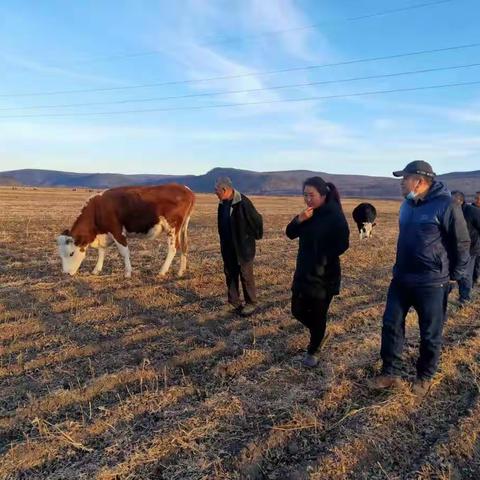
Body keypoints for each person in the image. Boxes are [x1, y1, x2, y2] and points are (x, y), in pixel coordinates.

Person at [370, 161, 470, 396]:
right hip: (402, 278)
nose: (401, 184)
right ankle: (390, 372)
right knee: (391, 324)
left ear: (419, 181)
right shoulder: (406, 206)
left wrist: (455, 275)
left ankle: (425, 375)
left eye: (404, 179)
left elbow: (462, 242)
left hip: (432, 281)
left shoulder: (446, 205)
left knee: (430, 332)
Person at [286, 177, 349, 368]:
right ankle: (320, 334)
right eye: (305, 195)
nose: (307, 199)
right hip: (303, 272)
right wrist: (299, 220)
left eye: (311, 195)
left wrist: (322, 256)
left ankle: (314, 350)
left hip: (324, 277)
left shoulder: (335, 215)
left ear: (323, 195)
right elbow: (290, 233)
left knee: (319, 314)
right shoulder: (308, 214)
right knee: (296, 310)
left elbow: (343, 244)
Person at [215, 177, 263, 316]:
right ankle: (234, 302)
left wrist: (251, 237)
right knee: (230, 273)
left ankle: (251, 303)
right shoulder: (222, 203)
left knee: (245, 275)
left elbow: (257, 220)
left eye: (216, 190)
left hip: (243, 247)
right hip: (228, 246)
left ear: (224, 189)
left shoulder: (243, 203)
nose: (215, 193)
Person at [451, 191, 480, 303]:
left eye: (453, 201)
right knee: (454, 273)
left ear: (460, 201)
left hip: (470, 249)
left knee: (465, 275)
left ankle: (465, 299)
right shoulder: (449, 211)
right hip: (453, 248)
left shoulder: (472, 212)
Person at [472, 191, 480, 285]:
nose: (477, 200)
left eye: (479, 199)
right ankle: (474, 280)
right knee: (475, 262)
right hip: (474, 241)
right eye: (476, 198)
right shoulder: (471, 209)